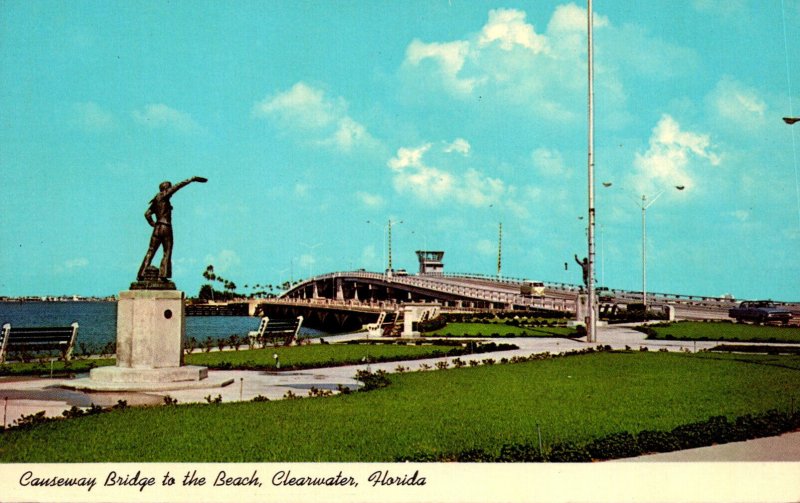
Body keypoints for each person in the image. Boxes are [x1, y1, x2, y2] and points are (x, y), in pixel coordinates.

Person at [137, 176, 207, 281]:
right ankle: (163, 275)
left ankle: (141, 274)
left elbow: (147, 214)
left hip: (157, 228)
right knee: (167, 251)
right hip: (166, 227)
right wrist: (191, 179)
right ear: (166, 188)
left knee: (151, 250)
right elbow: (178, 186)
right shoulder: (164, 195)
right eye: (169, 188)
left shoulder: (156, 199)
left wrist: (153, 224)